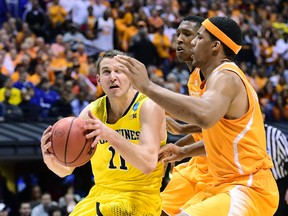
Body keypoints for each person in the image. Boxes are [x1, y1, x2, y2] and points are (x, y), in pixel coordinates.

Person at [115, 16, 279, 215]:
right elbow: (221, 140)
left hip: (248, 187)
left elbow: (204, 115)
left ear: (215, 46)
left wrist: (148, 87)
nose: (192, 42)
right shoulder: (211, 79)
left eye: (198, 37)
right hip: (221, 184)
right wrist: (183, 151)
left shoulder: (226, 76)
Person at [41, 50, 167, 215]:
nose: (113, 77)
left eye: (119, 71)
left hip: (141, 197)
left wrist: (108, 134)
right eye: (106, 72)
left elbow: (148, 163)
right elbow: (66, 170)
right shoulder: (91, 111)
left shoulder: (149, 106)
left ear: (130, 76)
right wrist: (51, 159)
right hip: (100, 194)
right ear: (99, 80)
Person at [160, 16, 214, 216]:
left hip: (219, 169)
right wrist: (175, 147)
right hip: (197, 164)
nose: (180, 39)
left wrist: (182, 140)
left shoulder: (216, 79)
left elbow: (221, 133)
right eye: (178, 34)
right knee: (156, 210)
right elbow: (205, 131)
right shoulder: (194, 77)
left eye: (188, 34)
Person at [262, 110, 288, 216]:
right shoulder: (244, 136)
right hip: (261, 186)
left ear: (263, 117)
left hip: (280, 184)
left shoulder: (275, 135)